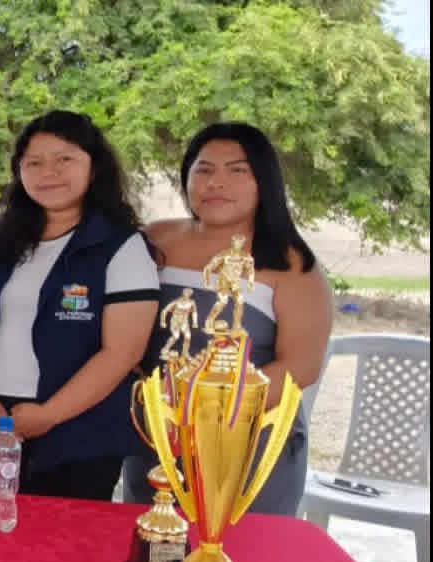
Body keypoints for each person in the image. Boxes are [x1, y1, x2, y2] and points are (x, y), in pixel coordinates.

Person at [122, 122, 332, 516]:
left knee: (238, 549)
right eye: (203, 170)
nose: (216, 182)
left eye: (237, 171)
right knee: (150, 541)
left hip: (245, 442)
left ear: (264, 182)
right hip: (159, 436)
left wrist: (205, 409)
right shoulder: (154, 241)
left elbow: (301, 367)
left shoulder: (292, 265)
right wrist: (163, 409)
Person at [0, 110, 160, 501]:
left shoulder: (121, 245)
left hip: (79, 434)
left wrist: (48, 414)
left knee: (65, 535)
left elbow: (122, 352)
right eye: (33, 162)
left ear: (94, 166)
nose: (47, 172)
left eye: (64, 159)